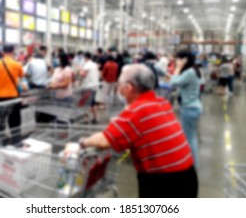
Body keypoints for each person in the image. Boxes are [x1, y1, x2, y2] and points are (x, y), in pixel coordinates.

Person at [82, 64, 198, 198]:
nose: (118, 88)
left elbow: (104, 141)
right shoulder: (160, 102)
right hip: (188, 176)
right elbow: (146, 127)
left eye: (120, 84)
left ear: (128, 88)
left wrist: (82, 143)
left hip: (165, 184)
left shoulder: (137, 112)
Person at [170, 50, 202, 168]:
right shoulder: (194, 70)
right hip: (193, 106)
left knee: (190, 138)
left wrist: (178, 67)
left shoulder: (189, 72)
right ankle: (193, 162)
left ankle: (192, 165)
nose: (175, 62)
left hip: (190, 108)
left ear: (184, 60)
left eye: (177, 59)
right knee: (192, 136)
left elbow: (173, 83)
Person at [0, 45, 24, 138]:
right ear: (13, 51)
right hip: (13, 96)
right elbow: (21, 76)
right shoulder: (17, 64)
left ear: (2, 52)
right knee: (14, 120)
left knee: (0, 120)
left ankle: (0, 141)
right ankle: (16, 139)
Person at [80, 52, 99, 124]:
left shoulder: (87, 65)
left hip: (88, 86)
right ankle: (95, 118)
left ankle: (87, 119)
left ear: (85, 57)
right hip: (94, 85)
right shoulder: (94, 64)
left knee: (87, 103)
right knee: (92, 103)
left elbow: (83, 74)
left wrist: (80, 70)